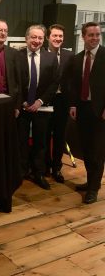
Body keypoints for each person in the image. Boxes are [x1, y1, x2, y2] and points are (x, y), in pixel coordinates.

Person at [18, 24, 58, 190]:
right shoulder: (17, 55)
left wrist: (40, 101)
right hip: (22, 107)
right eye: (33, 37)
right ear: (27, 38)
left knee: (41, 142)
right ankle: (20, 172)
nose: (36, 41)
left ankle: (38, 173)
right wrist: (23, 101)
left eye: (40, 38)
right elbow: (14, 81)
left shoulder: (51, 57)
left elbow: (54, 83)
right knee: (20, 141)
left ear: (44, 39)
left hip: (42, 107)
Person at [70, 22, 105, 204]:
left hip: (100, 112)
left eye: (97, 34)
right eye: (91, 35)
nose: (95, 38)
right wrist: (73, 105)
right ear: (83, 36)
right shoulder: (77, 59)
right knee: (86, 149)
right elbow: (74, 86)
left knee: (98, 151)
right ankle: (90, 181)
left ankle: (94, 188)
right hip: (83, 109)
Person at [45, 24, 74, 183]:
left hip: (62, 102)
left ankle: (57, 168)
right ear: (48, 37)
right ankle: (44, 167)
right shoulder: (41, 54)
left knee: (59, 136)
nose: (58, 39)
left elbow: (73, 81)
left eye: (60, 36)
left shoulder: (70, 56)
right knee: (43, 135)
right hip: (44, 101)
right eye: (55, 36)